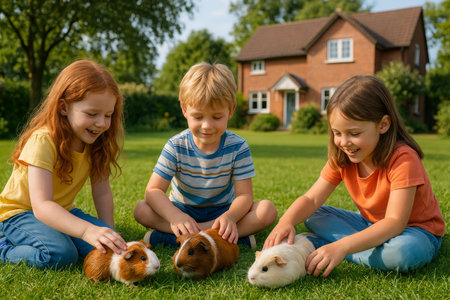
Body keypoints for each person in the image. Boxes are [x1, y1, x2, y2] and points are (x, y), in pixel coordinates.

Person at [264, 75, 445, 276]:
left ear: (383, 125)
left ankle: (329, 245)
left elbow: (395, 222)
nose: (343, 142)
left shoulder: (403, 159)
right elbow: (311, 198)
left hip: (415, 232)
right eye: (337, 133)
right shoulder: (343, 156)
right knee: (312, 214)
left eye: (354, 133)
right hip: (369, 224)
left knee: (402, 254)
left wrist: (342, 247)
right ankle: (359, 245)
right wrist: (286, 222)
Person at [0, 60, 127, 269]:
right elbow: (41, 206)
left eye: (108, 115)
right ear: (64, 107)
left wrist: (107, 231)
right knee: (61, 255)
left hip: (62, 212)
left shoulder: (97, 144)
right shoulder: (43, 141)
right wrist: (87, 231)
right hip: (19, 214)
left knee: (105, 251)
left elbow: (102, 191)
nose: (101, 123)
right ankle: (4, 246)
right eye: (92, 114)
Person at [134, 62, 277, 248]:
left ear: (230, 111)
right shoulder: (176, 146)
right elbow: (153, 191)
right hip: (182, 209)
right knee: (141, 209)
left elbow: (244, 196)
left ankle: (175, 237)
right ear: (185, 110)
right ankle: (220, 238)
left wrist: (230, 217)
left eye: (217, 117)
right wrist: (175, 217)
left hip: (222, 211)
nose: (207, 125)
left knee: (267, 210)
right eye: (198, 117)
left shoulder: (238, 147)